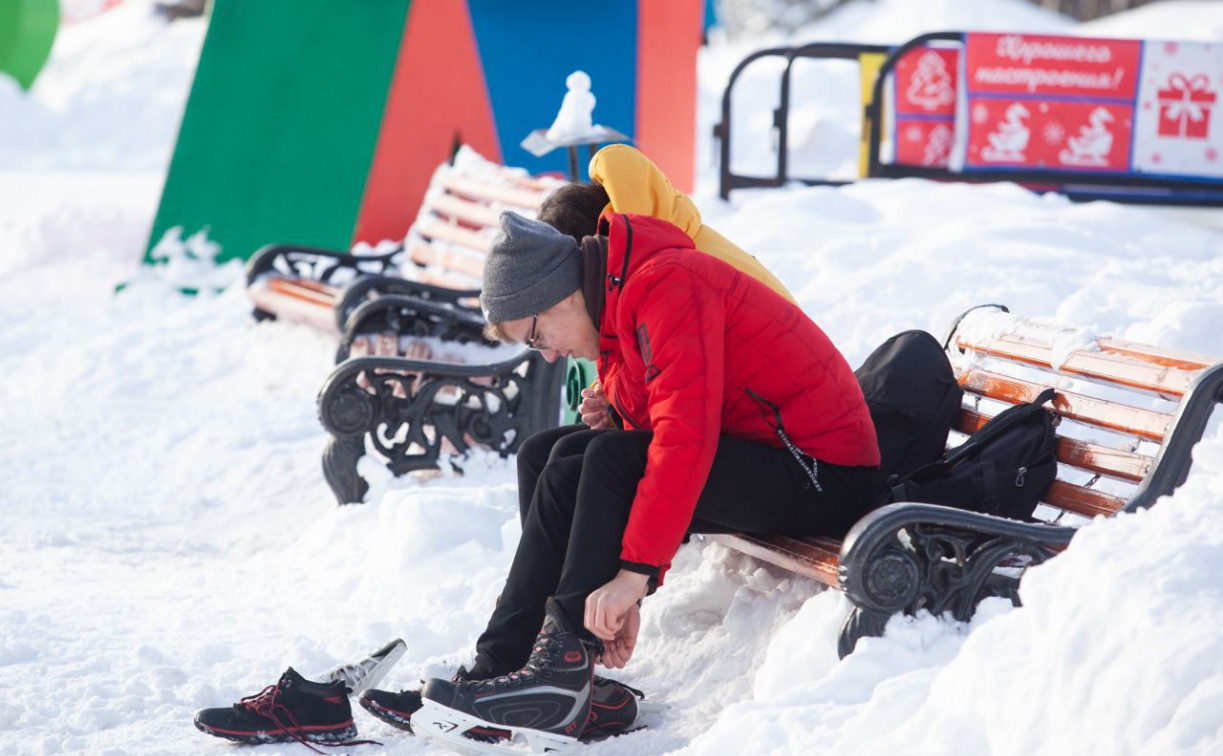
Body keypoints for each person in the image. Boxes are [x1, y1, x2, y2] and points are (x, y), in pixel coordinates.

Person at [397, 209, 879, 748]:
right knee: (548, 454)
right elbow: (654, 424)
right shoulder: (618, 300)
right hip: (762, 459)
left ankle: (563, 671)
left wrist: (634, 578)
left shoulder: (668, 284)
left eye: (536, 338)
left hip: (822, 472)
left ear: (558, 297)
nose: (551, 355)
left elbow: (681, 440)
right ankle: (512, 661)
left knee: (608, 459)